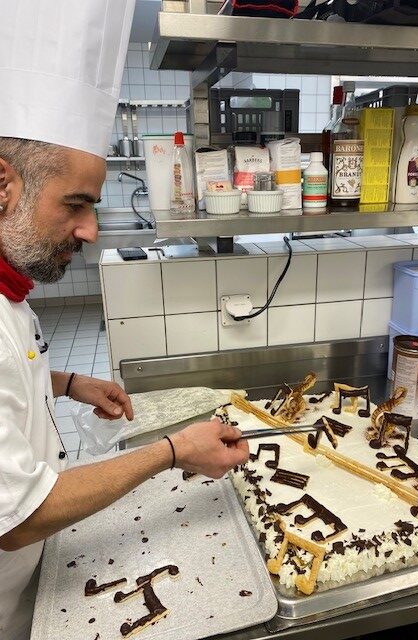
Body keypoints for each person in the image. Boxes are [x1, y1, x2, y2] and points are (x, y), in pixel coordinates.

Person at [0, 2, 249, 638]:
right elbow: (17, 516)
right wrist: (173, 451)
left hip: (30, 582)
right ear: (2, 186)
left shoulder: (9, 294)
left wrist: (66, 383)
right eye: (75, 204)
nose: (90, 230)